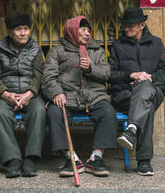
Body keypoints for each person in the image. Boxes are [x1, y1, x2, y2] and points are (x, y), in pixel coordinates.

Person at [42, 16, 117, 177]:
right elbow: (48, 76)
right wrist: (56, 92)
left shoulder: (97, 50)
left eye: (88, 30)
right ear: (72, 30)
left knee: (108, 112)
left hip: (94, 96)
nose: (86, 33)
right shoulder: (57, 51)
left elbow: (106, 74)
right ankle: (71, 158)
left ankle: (96, 158)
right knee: (54, 113)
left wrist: (91, 68)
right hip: (66, 95)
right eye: (82, 29)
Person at [108, 7, 165, 176]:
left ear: (142, 24)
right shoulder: (117, 46)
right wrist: (131, 75)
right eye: (125, 25)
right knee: (146, 108)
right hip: (125, 94)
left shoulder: (156, 43)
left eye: (131, 25)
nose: (126, 28)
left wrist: (147, 80)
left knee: (144, 89)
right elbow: (110, 74)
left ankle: (131, 129)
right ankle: (144, 161)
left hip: (153, 91)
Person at [0, 12, 46, 178]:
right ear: (10, 32)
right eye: (18, 29)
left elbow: (39, 74)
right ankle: (12, 160)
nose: (23, 33)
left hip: (30, 95)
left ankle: (30, 159)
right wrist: (5, 94)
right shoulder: (0, 50)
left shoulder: (35, 49)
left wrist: (30, 93)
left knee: (39, 111)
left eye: (26, 29)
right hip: (7, 94)